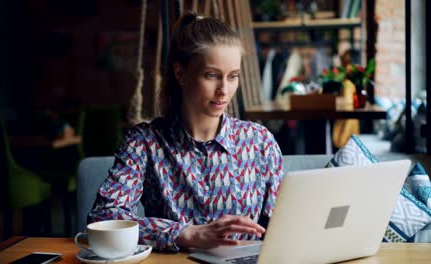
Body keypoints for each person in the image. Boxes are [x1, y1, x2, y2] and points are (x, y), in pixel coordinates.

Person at [88, 12, 284, 252]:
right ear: (181, 74)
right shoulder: (144, 143)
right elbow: (103, 219)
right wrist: (185, 233)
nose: (224, 90)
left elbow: (283, 226)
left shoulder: (260, 141)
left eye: (233, 77)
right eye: (211, 75)